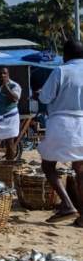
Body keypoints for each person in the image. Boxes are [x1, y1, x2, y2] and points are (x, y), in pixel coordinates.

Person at [37, 39, 83, 225]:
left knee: (48, 166)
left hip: (63, 123)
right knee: (80, 169)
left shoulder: (61, 70)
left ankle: (67, 204)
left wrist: (39, 93)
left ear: (66, 55)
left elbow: (45, 96)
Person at [0, 67, 22, 160]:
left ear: (8, 74)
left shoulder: (14, 85)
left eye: (4, 73)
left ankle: (9, 166)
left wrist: (5, 86)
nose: (2, 75)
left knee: (10, 142)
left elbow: (14, 98)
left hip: (9, 118)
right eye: (0, 74)